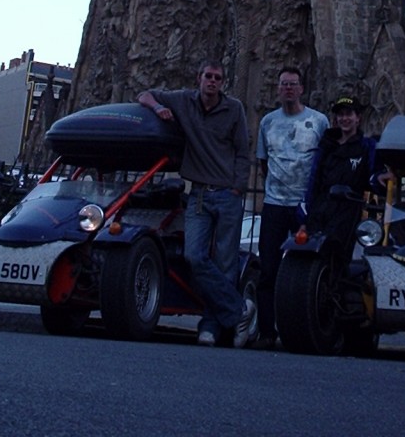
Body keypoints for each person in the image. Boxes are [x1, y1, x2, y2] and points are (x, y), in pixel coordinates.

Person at [137, 58, 254, 348]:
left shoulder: (234, 108)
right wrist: (158, 108)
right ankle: (240, 311)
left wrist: (239, 188)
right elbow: (144, 94)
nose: (212, 81)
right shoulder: (183, 101)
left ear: (222, 83)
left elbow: (243, 150)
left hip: (227, 195)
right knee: (194, 257)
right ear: (198, 78)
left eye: (217, 77)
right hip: (199, 194)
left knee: (225, 264)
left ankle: (211, 327)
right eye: (208, 76)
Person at [255, 66, 328, 349]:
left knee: (304, 271)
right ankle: (266, 332)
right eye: (283, 84)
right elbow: (264, 163)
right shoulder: (267, 122)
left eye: (293, 84)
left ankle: (301, 330)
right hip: (274, 204)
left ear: (301, 88)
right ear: (278, 88)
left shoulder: (318, 121)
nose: (288, 89)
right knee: (268, 269)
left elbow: (322, 163)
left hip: (304, 207)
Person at [302, 96, 377, 254]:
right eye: (341, 115)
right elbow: (314, 179)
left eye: (349, 114)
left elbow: (373, 174)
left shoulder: (366, 147)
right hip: (322, 206)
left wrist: (380, 177)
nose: (344, 118)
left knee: (337, 252)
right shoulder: (327, 145)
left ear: (358, 118)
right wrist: (306, 210)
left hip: (348, 209)